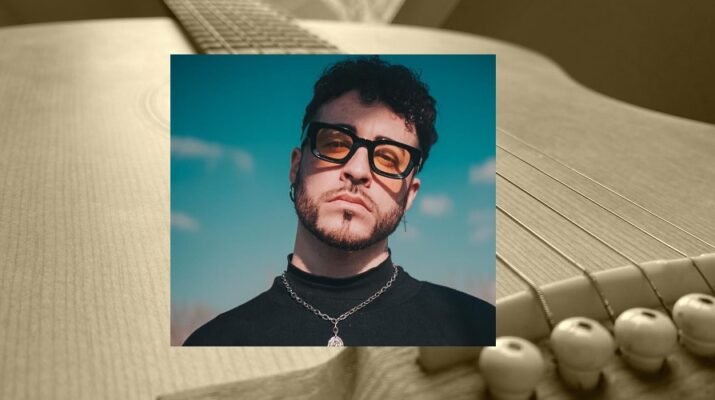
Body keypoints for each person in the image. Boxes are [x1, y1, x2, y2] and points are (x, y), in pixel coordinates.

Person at [184, 56, 494, 346]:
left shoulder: (478, 330)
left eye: (388, 158)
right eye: (335, 143)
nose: (357, 170)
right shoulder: (212, 343)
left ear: (410, 194)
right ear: (296, 166)